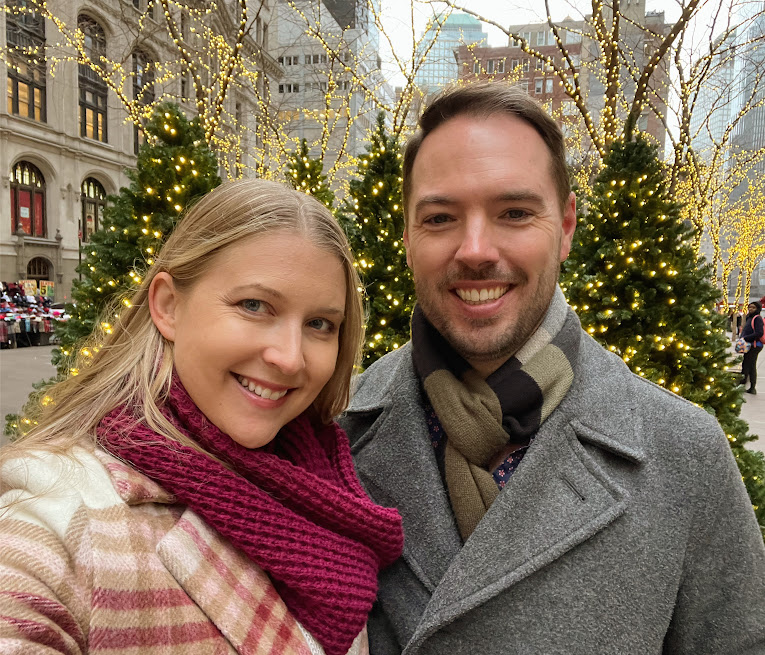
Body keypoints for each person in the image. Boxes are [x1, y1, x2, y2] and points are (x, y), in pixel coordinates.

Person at [339, 82, 765, 654]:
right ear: (409, 237)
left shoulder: (684, 454)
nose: (474, 249)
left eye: (514, 212)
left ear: (564, 228)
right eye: (440, 217)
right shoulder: (331, 432)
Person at [0, 179, 404, 654]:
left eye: (320, 324)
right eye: (255, 306)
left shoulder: (325, 486)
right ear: (168, 305)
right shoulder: (59, 512)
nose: (291, 358)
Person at [740, 300, 764, 394]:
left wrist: (746, 337)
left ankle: (752, 387)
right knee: (745, 364)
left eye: (753, 307)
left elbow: (759, 333)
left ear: (757, 309)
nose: (750, 309)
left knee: (751, 365)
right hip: (749, 345)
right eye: (750, 307)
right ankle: (743, 383)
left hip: (754, 345)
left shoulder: (757, 318)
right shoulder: (749, 317)